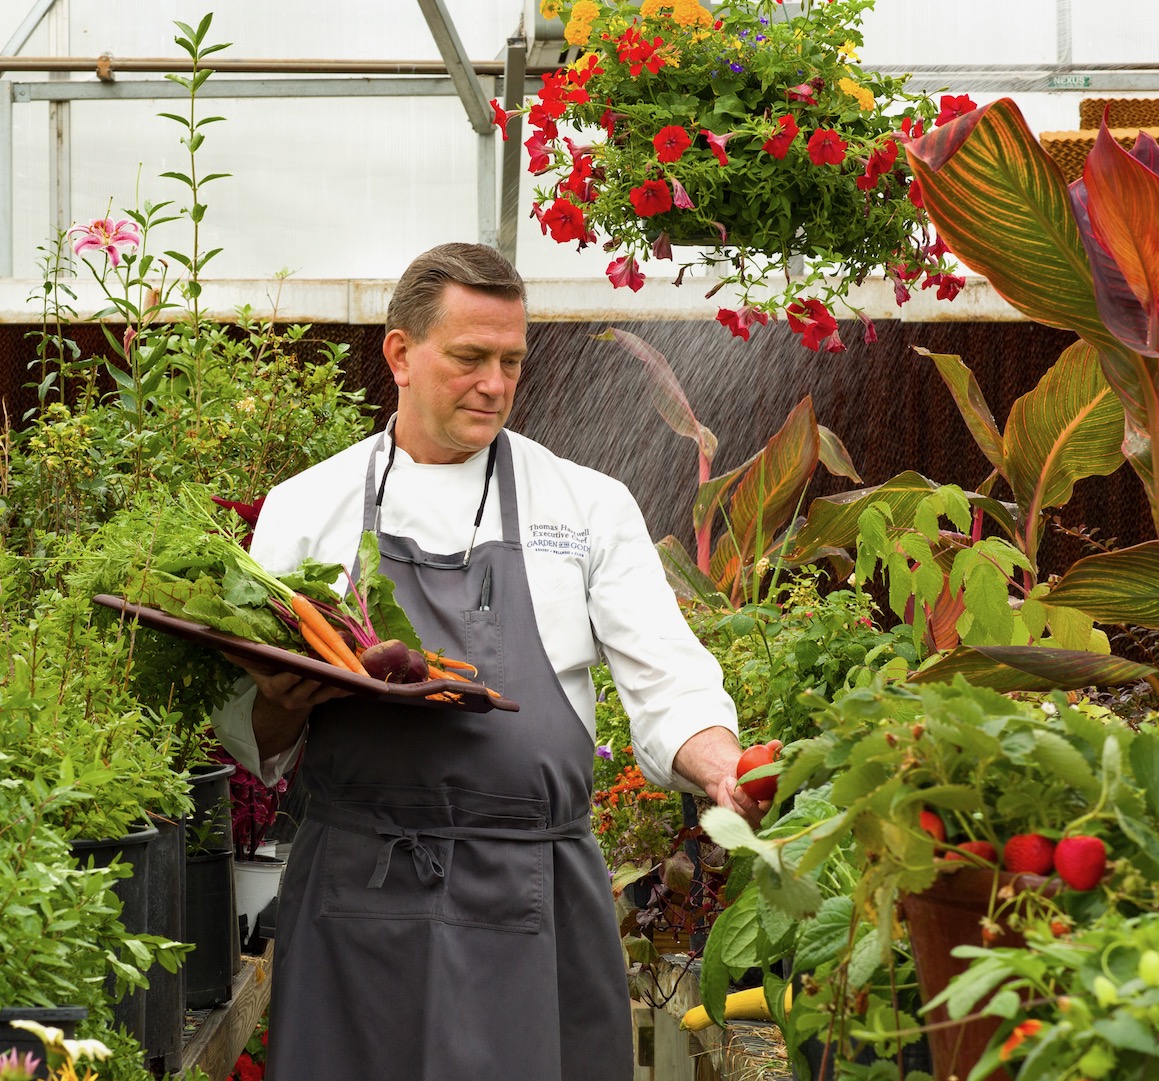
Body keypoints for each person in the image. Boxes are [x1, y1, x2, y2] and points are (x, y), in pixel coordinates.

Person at [210, 242, 764, 1080]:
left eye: (512, 361)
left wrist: (724, 768)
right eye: (470, 358)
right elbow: (253, 734)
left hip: (530, 892)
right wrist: (284, 700)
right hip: (358, 891)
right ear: (400, 353)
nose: (496, 384)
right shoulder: (306, 508)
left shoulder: (585, 505)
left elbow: (667, 678)